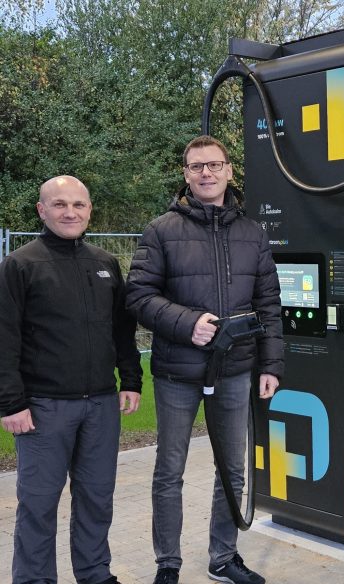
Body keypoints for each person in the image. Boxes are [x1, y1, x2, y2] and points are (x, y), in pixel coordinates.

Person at [126, 135, 284, 584]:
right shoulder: (161, 230)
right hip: (178, 372)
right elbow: (138, 295)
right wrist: (188, 322)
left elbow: (269, 304)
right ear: (186, 174)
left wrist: (271, 365)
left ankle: (223, 557)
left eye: (214, 165)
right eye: (197, 167)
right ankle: (168, 563)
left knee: (233, 470)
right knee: (169, 470)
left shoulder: (252, 232)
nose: (206, 173)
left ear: (229, 170)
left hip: (235, 371)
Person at [0, 176, 143, 584]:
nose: (70, 212)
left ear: (89, 209)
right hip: (44, 408)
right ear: (42, 211)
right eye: (59, 204)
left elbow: (122, 330)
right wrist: (10, 403)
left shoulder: (105, 263)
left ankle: (95, 574)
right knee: (39, 503)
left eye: (78, 205)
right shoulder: (20, 265)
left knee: (97, 499)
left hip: (100, 405)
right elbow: (4, 336)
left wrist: (130, 379)